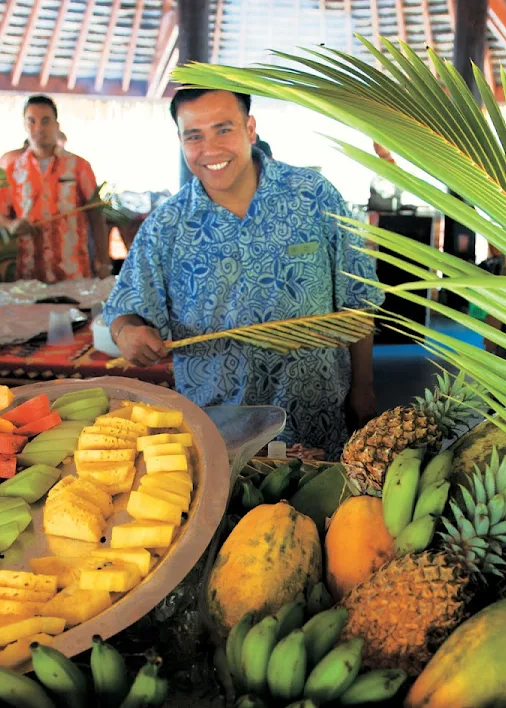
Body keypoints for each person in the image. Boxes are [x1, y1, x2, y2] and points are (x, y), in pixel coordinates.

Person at [104, 88, 383, 460]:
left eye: (224, 129)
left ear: (250, 128)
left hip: (319, 418)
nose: (210, 149)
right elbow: (124, 308)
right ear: (181, 141)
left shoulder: (313, 196)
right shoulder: (167, 226)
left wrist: (363, 392)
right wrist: (127, 332)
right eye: (195, 136)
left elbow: (359, 300)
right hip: (220, 433)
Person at [0, 96, 109, 282]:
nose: (38, 128)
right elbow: (0, 214)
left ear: (56, 124)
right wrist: (11, 225)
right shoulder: (13, 170)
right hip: (30, 272)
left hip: (73, 271)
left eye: (45, 121)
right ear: (25, 125)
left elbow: (96, 216)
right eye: (32, 121)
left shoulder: (79, 166)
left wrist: (104, 263)